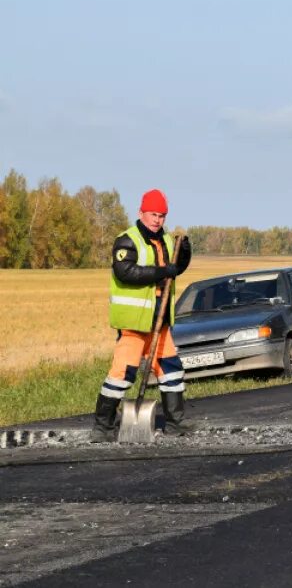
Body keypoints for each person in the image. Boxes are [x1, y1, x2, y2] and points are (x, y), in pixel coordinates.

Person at [91, 188, 193, 442]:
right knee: (121, 374)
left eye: (161, 215)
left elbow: (176, 269)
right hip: (134, 324)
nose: (157, 220)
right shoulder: (126, 240)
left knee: (171, 371)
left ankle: (175, 423)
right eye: (153, 214)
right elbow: (127, 272)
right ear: (141, 213)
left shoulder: (168, 241)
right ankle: (102, 428)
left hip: (161, 323)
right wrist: (162, 271)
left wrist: (185, 253)